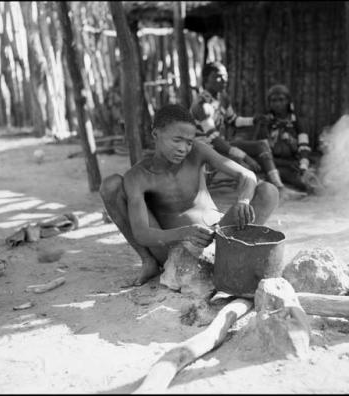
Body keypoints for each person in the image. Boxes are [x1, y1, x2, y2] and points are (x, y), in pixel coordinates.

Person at [100, 104, 279, 286]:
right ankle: (150, 262)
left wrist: (243, 199)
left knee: (268, 192)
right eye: (177, 140)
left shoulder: (197, 152)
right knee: (111, 184)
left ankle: (230, 257)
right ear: (156, 135)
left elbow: (247, 175)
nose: (183, 148)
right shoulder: (138, 176)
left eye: (189, 142)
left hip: (219, 235)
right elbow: (142, 233)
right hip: (176, 249)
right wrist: (184, 233)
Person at [190, 61, 305, 199]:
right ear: (206, 79)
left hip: (218, 145)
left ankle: (279, 187)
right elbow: (214, 140)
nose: (224, 79)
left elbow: (233, 120)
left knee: (261, 145)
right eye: (218, 77)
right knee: (240, 160)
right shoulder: (202, 105)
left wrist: (253, 120)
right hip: (205, 149)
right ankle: (256, 192)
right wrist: (245, 156)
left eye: (225, 76)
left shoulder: (223, 97)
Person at [255, 84, 322, 194]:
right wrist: (285, 164)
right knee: (284, 176)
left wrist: (303, 166)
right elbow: (260, 152)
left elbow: (304, 147)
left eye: (281, 100)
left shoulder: (298, 122)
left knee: (312, 179)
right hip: (273, 164)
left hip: (295, 163)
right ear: (269, 103)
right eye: (273, 100)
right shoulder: (265, 123)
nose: (277, 104)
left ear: (288, 101)